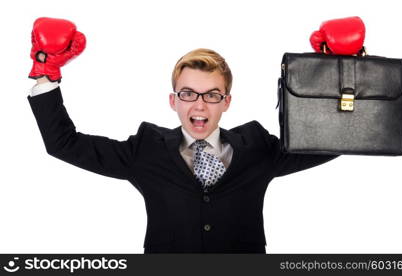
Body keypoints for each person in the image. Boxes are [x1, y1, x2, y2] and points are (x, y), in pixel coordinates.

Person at [28, 17, 361, 253]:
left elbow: (336, 140)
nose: (199, 104)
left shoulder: (259, 147)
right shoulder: (146, 149)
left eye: (212, 94)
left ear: (226, 102)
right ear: (173, 101)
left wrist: (343, 73)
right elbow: (64, 143)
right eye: (188, 93)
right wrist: (45, 74)